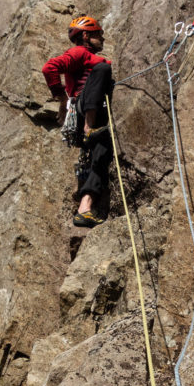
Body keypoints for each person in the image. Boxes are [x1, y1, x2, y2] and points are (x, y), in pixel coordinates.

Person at [42, 16, 114, 227]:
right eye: (98, 34)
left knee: (102, 153)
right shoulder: (79, 52)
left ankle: (84, 208)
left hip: (96, 111)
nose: (102, 38)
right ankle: (89, 128)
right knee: (102, 69)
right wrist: (63, 99)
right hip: (84, 110)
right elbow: (49, 68)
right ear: (85, 35)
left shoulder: (88, 56)